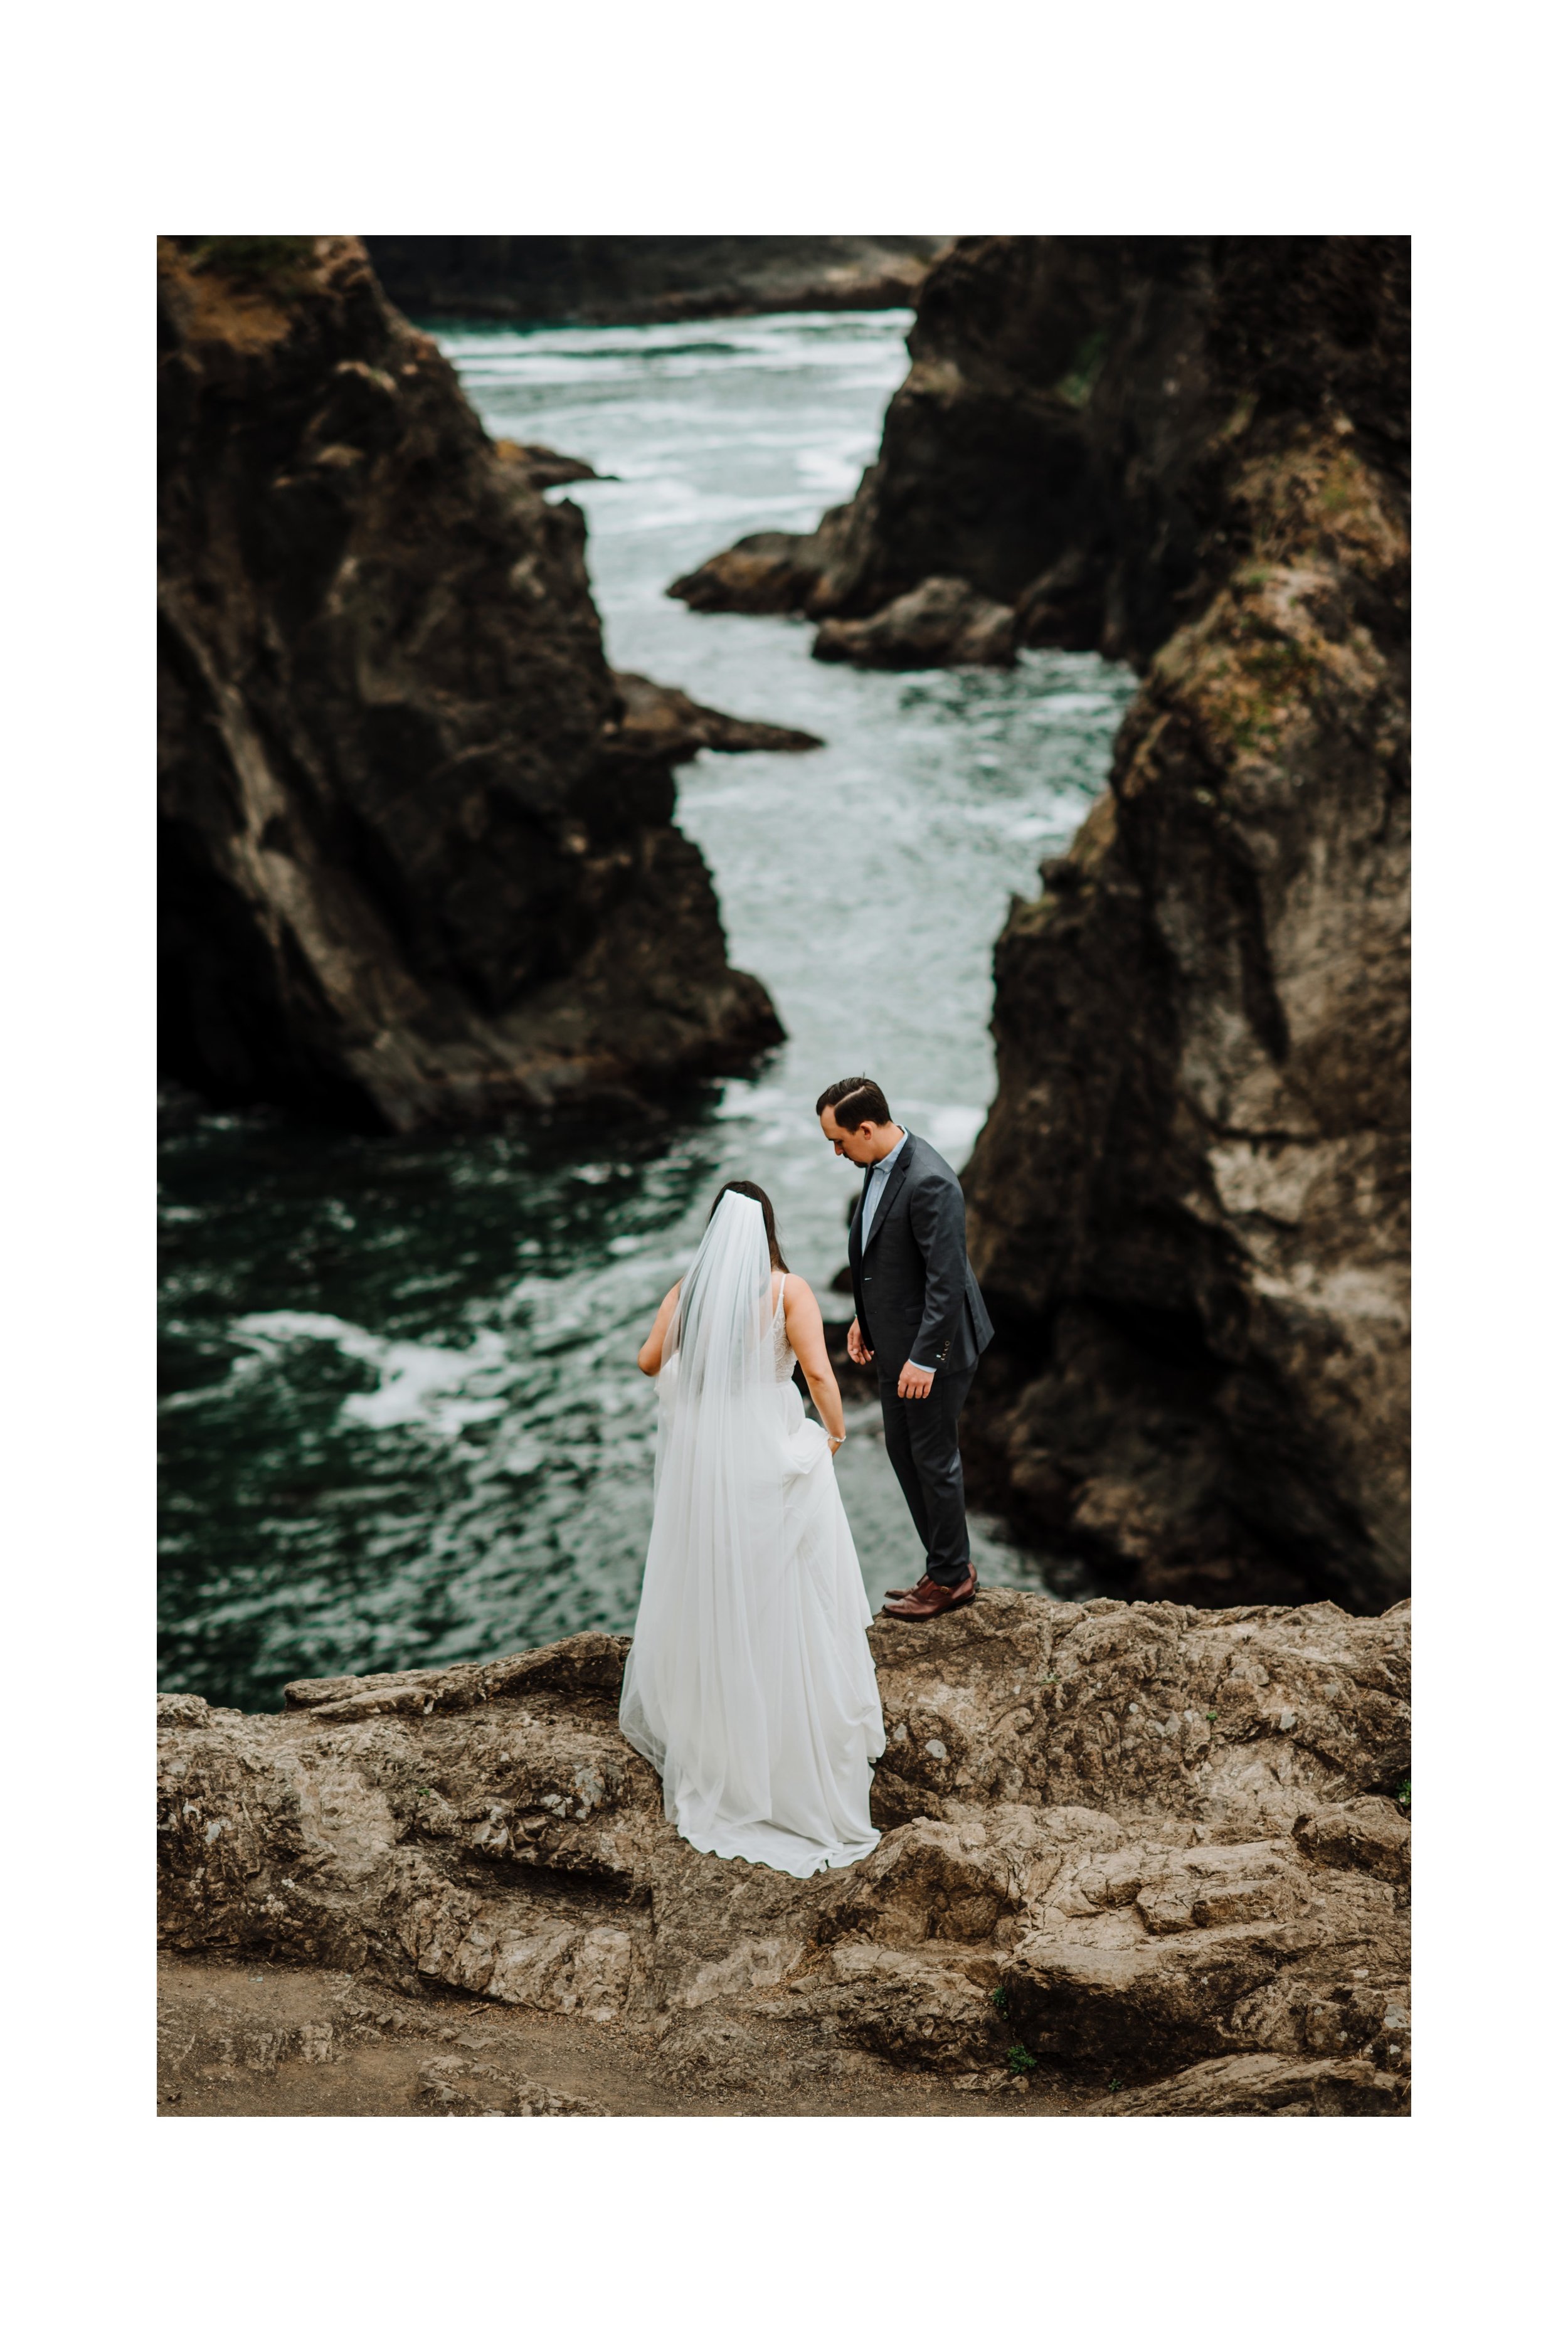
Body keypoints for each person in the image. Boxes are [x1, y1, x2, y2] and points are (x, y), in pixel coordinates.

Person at [618, 1180, 884, 1877]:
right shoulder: (788, 1289)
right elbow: (820, 1373)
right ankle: (788, 1724)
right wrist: (832, 1433)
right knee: (786, 1582)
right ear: (768, 1229)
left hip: (709, 1459)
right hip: (767, 1448)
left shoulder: (690, 1290)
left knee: (718, 1580)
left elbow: (649, 1362)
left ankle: (718, 1732)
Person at [817, 1076, 995, 1621]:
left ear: (866, 1128)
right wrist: (860, 1319)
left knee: (934, 1459)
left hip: (932, 1350)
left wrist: (925, 1358)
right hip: (893, 1343)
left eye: (840, 1140)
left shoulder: (931, 1182)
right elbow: (881, 1259)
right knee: (904, 1451)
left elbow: (945, 1281)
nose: (837, 1151)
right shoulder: (878, 1165)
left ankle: (951, 1578)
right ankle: (945, 1562)